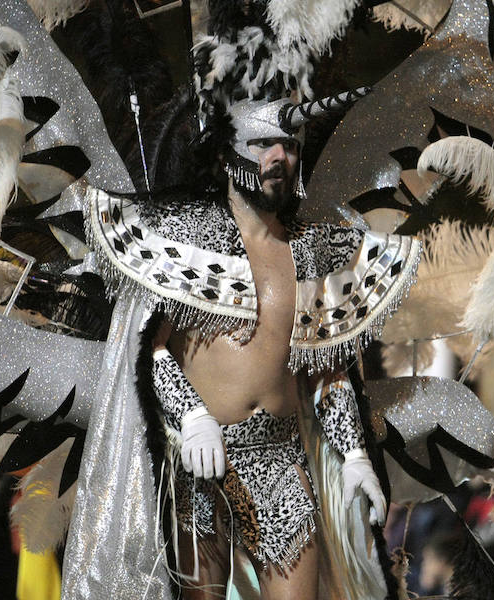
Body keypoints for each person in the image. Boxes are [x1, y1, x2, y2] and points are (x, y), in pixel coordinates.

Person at [140, 95, 405, 598]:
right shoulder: (183, 236)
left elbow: (327, 367)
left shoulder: (313, 250)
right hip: (198, 464)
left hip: (281, 460)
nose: (279, 156)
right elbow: (145, 351)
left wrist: (353, 454)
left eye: (288, 144)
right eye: (262, 143)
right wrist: (191, 416)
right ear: (225, 156)